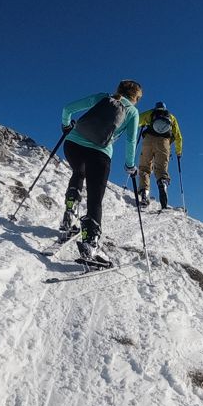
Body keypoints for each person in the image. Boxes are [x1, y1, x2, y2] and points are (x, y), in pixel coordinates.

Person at [58, 79, 142, 266]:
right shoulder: (133, 112)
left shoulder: (102, 97)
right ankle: (90, 245)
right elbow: (131, 141)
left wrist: (66, 126)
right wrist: (129, 165)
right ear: (135, 97)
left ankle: (69, 212)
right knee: (95, 199)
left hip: (72, 144)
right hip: (100, 153)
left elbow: (67, 109)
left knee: (78, 173)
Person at [134, 101, 182, 209]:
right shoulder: (171, 117)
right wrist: (178, 152)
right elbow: (178, 136)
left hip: (148, 140)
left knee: (145, 168)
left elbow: (136, 120)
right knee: (161, 169)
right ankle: (162, 183)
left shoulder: (150, 113)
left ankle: (144, 193)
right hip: (164, 142)